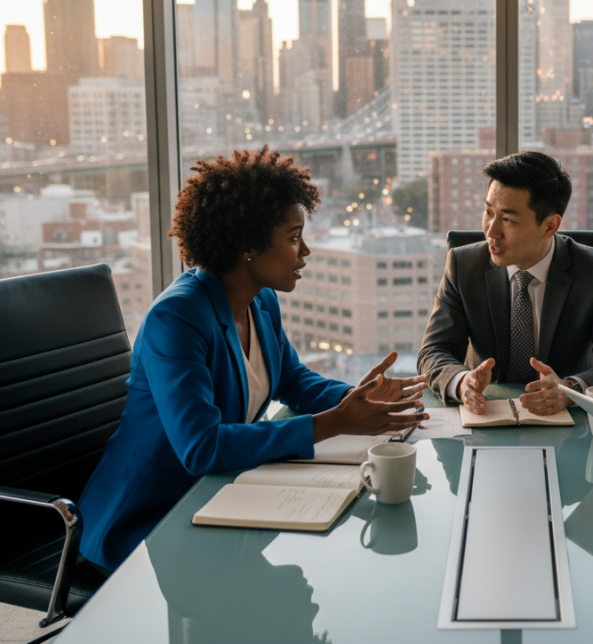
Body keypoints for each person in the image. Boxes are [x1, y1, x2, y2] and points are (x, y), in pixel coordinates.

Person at [78, 147, 428, 572]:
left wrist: (360, 399)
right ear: (247, 244)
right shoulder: (178, 318)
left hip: (223, 496)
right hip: (150, 522)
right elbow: (201, 447)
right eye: (294, 236)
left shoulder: (259, 301)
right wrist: (337, 421)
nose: (306, 252)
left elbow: (293, 379)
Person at [418, 150, 593, 416]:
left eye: (507, 220)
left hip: (565, 420)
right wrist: (461, 382)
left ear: (549, 226)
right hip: (486, 416)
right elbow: (433, 351)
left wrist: (569, 390)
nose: (491, 232)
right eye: (488, 212)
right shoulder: (462, 265)